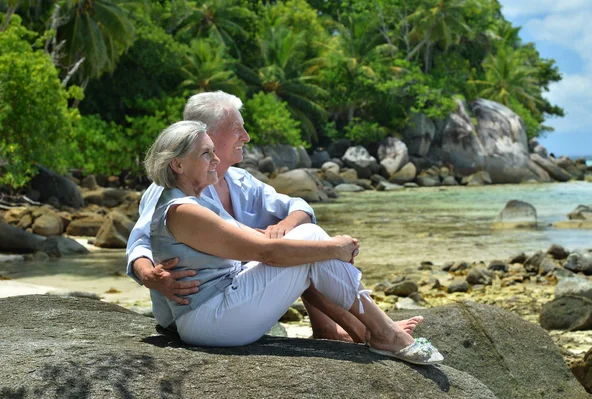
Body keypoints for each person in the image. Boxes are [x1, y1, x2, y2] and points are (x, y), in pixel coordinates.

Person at [126, 90, 422, 343]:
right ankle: (372, 331)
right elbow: (139, 243)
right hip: (189, 310)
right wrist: (150, 277)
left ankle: (334, 329)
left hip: (229, 290)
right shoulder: (171, 192)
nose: (247, 136)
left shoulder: (240, 181)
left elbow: (301, 207)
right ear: (204, 132)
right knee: (304, 250)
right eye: (238, 128)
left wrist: (284, 226)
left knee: (302, 242)